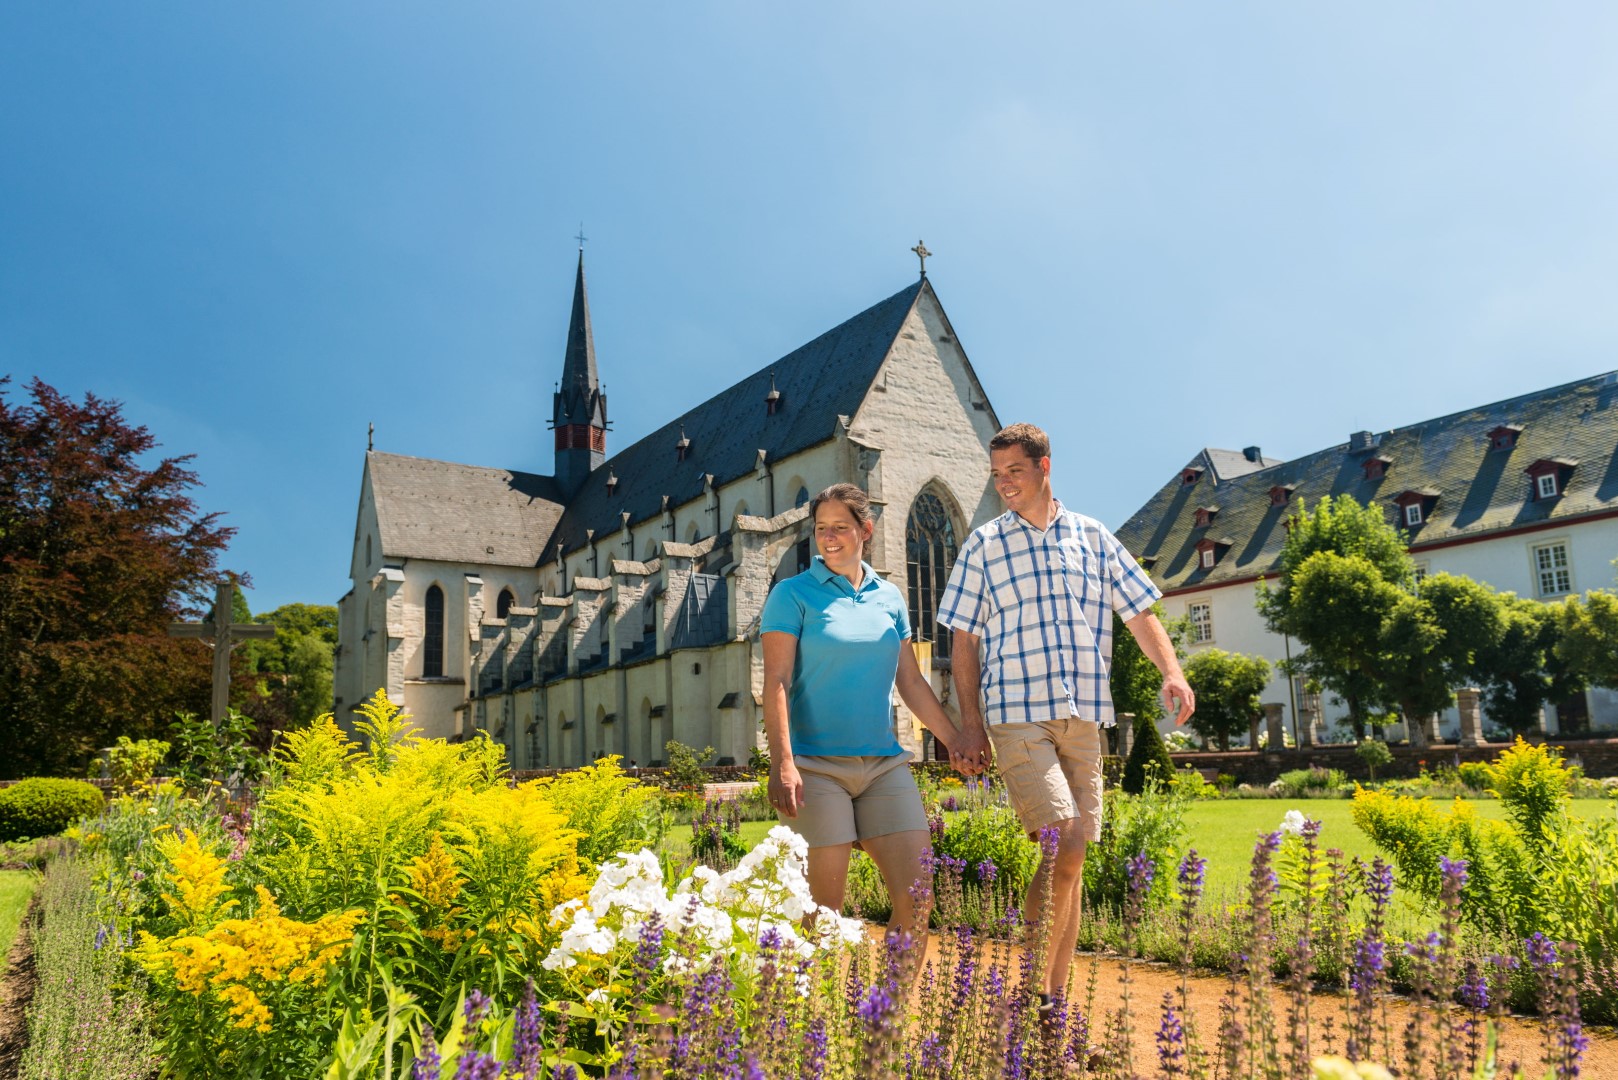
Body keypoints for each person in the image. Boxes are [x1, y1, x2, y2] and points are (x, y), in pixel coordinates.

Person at [937, 422, 1194, 1003]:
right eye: (996, 473)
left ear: (1044, 467)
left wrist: (1172, 671)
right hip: (1017, 711)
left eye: (1015, 472)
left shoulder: (1093, 537)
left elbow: (1139, 611)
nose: (1003, 483)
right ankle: (1028, 991)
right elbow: (964, 639)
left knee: (1073, 862)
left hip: (1084, 714)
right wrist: (970, 722)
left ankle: (1051, 999)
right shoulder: (984, 544)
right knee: (1065, 842)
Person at [760, 483, 964, 942]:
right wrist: (783, 762)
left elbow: (909, 681)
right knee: (820, 917)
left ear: (865, 530)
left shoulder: (889, 597)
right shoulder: (792, 594)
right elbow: (775, 681)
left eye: (840, 527)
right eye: (820, 529)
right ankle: (810, 1012)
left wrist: (955, 739)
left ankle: (884, 1014)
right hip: (815, 767)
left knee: (918, 897)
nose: (829, 538)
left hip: (883, 766)